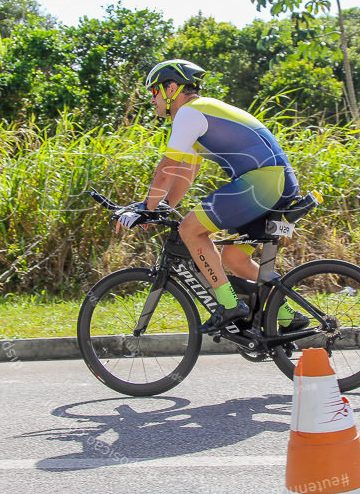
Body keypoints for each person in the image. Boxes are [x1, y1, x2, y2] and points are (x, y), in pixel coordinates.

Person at [115, 58, 302, 332]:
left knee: (191, 229)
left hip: (263, 182)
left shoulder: (189, 114)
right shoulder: (200, 114)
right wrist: (162, 206)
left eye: (154, 92)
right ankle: (286, 315)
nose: (151, 99)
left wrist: (146, 207)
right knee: (234, 258)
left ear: (171, 89)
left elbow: (166, 169)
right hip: (280, 185)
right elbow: (184, 175)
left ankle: (228, 304)